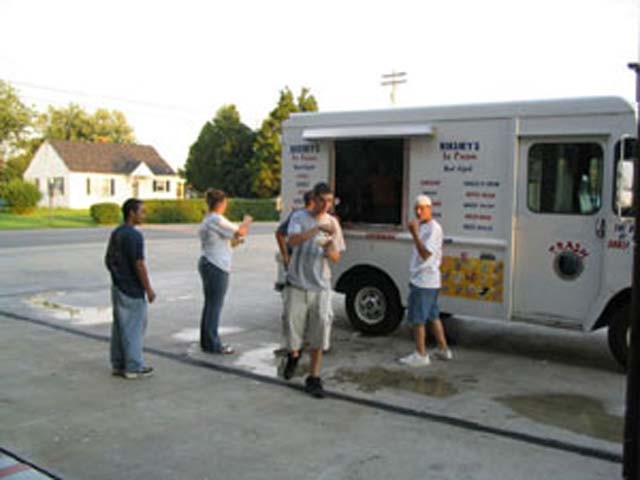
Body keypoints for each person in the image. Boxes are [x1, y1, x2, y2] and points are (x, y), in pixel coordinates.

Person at [282, 182, 345, 398]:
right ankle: (293, 355)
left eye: (330, 201)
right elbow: (292, 240)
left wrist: (329, 249)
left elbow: (337, 257)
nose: (326, 205)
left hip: (321, 286)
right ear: (314, 199)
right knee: (293, 331)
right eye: (323, 200)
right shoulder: (299, 218)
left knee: (319, 331)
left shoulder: (333, 224)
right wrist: (316, 229)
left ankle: (314, 377)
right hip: (297, 283)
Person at [399, 194, 453, 367]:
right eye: (416, 208)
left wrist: (414, 234)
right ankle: (443, 349)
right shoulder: (424, 226)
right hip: (427, 280)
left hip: (424, 280)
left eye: (422, 208)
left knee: (418, 319)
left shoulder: (432, 228)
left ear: (430, 208)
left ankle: (420, 353)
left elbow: (425, 254)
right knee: (433, 316)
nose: (418, 211)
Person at [105, 198, 156, 380]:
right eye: (142, 211)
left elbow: (108, 259)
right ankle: (134, 366)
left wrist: (117, 277)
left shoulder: (117, 233)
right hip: (132, 289)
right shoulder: (134, 236)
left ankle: (119, 363)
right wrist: (148, 289)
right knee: (134, 328)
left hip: (118, 286)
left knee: (120, 326)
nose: (144, 215)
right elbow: (139, 264)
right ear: (131, 213)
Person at [198, 189, 251, 354]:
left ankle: (207, 340)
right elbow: (240, 231)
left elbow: (227, 241)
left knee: (210, 305)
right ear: (220, 203)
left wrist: (234, 242)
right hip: (216, 265)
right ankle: (213, 344)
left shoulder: (209, 219)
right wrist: (247, 221)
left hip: (210, 262)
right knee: (215, 306)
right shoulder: (216, 219)